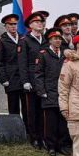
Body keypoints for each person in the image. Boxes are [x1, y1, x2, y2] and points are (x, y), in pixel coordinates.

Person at [33, 28, 67, 156]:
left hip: (63, 92)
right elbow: (38, 74)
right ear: (50, 40)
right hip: (49, 92)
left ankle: (61, 145)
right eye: (55, 38)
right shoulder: (44, 54)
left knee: (62, 122)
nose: (58, 40)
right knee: (50, 122)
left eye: (59, 38)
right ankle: (51, 146)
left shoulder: (65, 54)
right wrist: (42, 91)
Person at [18, 11, 48, 148]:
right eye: (37, 22)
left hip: (44, 80)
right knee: (32, 110)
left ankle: (43, 136)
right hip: (31, 79)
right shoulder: (25, 41)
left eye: (41, 22)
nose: (40, 24)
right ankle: (34, 137)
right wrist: (25, 81)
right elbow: (22, 62)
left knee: (43, 110)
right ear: (30, 25)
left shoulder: (46, 40)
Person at [0, 14, 23, 117]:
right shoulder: (1, 42)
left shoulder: (23, 39)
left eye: (15, 24)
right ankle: (15, 130)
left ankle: (28, 131)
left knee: (27, 108)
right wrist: (3, 79)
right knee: (13, 108)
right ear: (5, 26)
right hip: (11, 79)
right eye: (10, 24)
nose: (13, 26)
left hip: (24, 78)